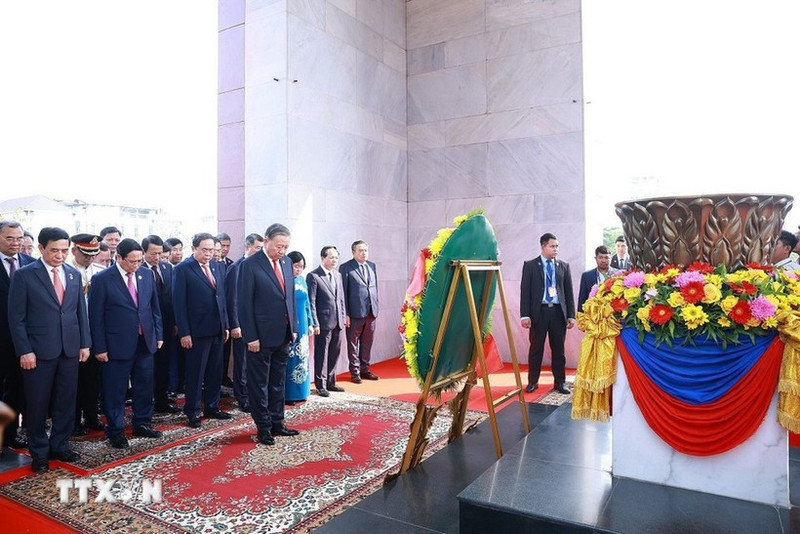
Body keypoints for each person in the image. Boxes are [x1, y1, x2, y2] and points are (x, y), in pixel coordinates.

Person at [8, 227, 91, 472]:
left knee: (66, 401)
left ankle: (60, 445)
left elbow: (80, 312)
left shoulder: (72, 274)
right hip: (37, 352)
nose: (60, 255)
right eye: (54, 250)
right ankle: (39, 453)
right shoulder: (24, 275)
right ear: (41, 248)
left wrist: (84, 343)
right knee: (37, 404)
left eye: (64, 250)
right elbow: (16, 318)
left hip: (69, 348)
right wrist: (24, 350)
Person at [89, 239, 164, 448]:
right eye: (132, 261)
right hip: (116, 345)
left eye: (139, 260)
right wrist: (100, 347)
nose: (136, 265)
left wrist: (158, 334)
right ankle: (115, 430)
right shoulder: (102, 279)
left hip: (145, 341)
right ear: (119, 257)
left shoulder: (146, 274)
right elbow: (95, 317)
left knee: (144, 385)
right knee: (115, 390)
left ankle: (142, 423)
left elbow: (154, 308)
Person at [238, 223, 299, 446]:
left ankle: (277, 422)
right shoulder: (250, 265)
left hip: (283, 334)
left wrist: (294, 327)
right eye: (278, 246)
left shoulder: (286, 262)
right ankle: (263, 427)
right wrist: (251, 337)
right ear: (266, 241)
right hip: (260, 338)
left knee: (278, 382)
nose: (282, 251)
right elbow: (244, 304)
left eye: (285, 247)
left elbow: (289, 298)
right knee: (259, 385)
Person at [172, 232, 231, 428]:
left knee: (215, 371)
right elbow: (179, 303)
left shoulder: (218, 266)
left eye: (211, 250)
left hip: (217, 328)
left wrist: (226, 325)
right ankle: (193, 410)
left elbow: (222, 298)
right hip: (196, 331)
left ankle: (212, 406)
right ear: (193, 248)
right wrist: (184, 332)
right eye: (204, 250)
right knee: (196, 374)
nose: (208, 254)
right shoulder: (183, 269)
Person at [520, 232, 576, 395]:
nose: (556, 249)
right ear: (543, 246)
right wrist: (525, 315)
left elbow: (568, 292)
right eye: (552, 246)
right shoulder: (530, 265)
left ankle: (560, 382)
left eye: (557, 246)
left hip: (558, 313)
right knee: (536, 348)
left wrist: (570, 315)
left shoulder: (564, 266)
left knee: (559, 350)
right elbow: (525, 292)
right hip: (539, 313)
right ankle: (533, 381)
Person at [0, 220, 35, 451]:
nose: (15, 243)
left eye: (19, 238)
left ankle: (10, 435)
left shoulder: (31, 265)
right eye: (9, 238)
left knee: (16, 389)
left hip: (23, 341)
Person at [69, 233, 106, 436]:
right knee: (73, 382)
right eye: (86, 254)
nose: (90, 258)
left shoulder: (100, 272)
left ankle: (92, 416)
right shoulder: (66, 271)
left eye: (93, 254)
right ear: (74, 250)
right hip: (73, 335)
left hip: (94, 333)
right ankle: (74, 420)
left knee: (93, 379)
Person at [225, 233, 264, 413]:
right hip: (241, 323)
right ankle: (242, 397)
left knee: (255, 362)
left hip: (257, 323)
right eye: (257, 248)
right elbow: (232, 298)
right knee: (242, 362)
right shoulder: (236, 267)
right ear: (248, 247)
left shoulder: (260, 265)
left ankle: (254, 393)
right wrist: (235, 324)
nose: (260, 251)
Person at [142, 235, 180, 414]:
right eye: (153, 253)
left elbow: (172, 297)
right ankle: (145, 403)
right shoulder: (139, 269)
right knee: (147, 368)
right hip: (146, 327)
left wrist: (175, 322)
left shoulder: (167, 268)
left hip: (167, 325)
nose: (157, 257)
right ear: (143, 252)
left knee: (164, 365)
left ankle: (162, 401)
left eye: (160, 253)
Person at [307, 246, 346, 397]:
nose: (334, 260)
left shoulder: (338, 275)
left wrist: (343, 316)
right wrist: (315, 322)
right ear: (323, 258)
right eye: (331, 257)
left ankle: (331, 381)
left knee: (334, 353)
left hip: (338, 322)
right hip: (323, 322)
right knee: (321, 354)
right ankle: (320, 385)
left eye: (336, 257)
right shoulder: (314, 276)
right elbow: (311, 301)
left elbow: (341, 299)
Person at [339, 240, 380, 383]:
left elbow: (374, 287)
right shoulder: (346, 268)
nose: (364, 253)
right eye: (361, 250)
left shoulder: (372, 266)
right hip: (354, 313)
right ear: (353, 252)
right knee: (353, 343)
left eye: (366, 250)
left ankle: (365, 369)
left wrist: (376, 305)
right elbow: (343, 292)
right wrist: (346, 314)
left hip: (371, 311)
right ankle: (355, 372)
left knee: (367, 342)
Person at [285, 251, 313, 403]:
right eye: (296, 266)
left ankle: (303, 391)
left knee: (302, 356)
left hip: (303, 324)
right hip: (290, 323)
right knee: (290, 357)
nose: (298, 269)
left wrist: (311, 322)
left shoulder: (302, 280)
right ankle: (289, 394)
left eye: (301, 266)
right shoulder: (284, 280)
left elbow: (307, 303)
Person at [578, 245, 616, 312]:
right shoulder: (587, 276)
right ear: (595, 258)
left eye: (606, 257)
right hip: (593, 313)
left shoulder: (618, 275)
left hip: (613, 313)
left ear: (611, 258)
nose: (603, 260)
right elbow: (582, 299)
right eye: (600, 257)